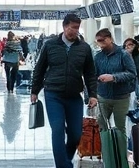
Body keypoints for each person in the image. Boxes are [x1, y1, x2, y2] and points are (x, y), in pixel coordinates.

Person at [31, 13, 98, 168]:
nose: (75, 31)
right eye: (73, 27)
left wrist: (93, 94)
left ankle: (66, 160)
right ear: (65, 26)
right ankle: (63, 166)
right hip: (53, 94)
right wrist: (35, 90)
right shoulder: (50, 45)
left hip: (75, 96)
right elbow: (39, 69)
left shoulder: (84, 48)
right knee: (58, 129)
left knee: (75, 134)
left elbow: (90, 73)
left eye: (77, 28)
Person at [92, 28, 136, 132]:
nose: (100, 44)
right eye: (98, 41)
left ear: (110, 39)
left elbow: (132, 73)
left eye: (102, 40)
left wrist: (114, 77)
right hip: (103, 96)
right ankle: (105, 148)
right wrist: (91, 94)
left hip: (121, 97)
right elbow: (93, 75)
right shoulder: (98, 57)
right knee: (101, 126)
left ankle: (120, 148)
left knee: (120, 128)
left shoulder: (123, 54)